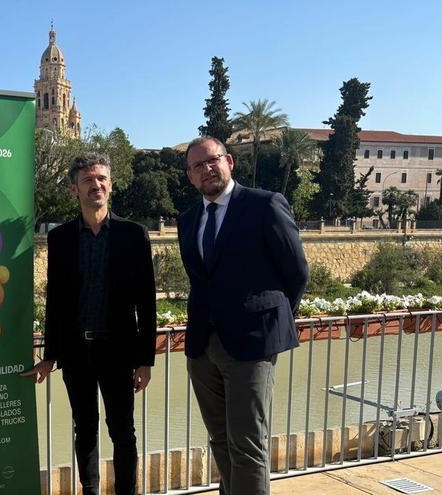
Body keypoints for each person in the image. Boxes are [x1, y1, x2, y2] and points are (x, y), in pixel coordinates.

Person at [178, 137, 308, 495]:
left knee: (248, 445)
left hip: (251, 345)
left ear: (229, 161)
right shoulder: (188, 220)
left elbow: (297, 272)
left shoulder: (264, 205)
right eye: (197, 166)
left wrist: (270, 321)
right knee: (220, 440)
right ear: (190, 176)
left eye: (212, 161)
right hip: (203, 347)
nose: (206, 170)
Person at [23, 152, 156, 495]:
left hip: (119, 351)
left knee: (123, 431)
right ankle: (91, 490)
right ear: (74, 189)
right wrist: (51, 354)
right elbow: (56, 300)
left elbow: (146, 301)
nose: (95, 185)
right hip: (76, 352)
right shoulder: (61, 238)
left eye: (101, 179)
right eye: (87, 180)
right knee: (85, 429)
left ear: (110, 185)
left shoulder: (133, 235)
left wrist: (145, 359)